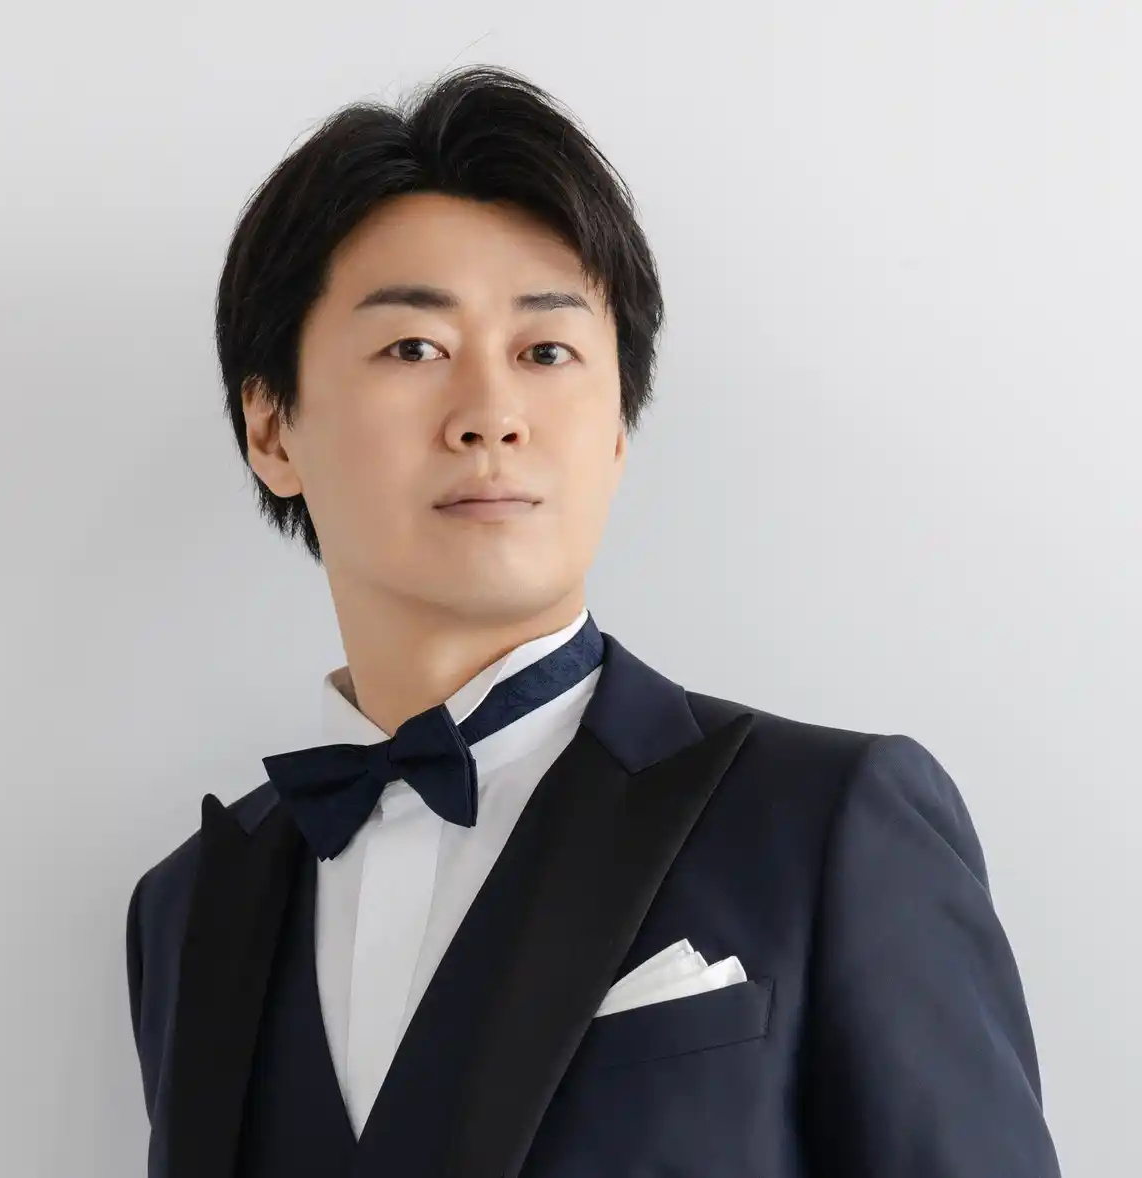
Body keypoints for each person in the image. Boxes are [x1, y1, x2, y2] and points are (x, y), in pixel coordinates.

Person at [124, 64, 1061, 1177]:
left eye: (545, 352)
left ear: (617, 426)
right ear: (272, 428)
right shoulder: (185, 909)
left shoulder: (830, 824)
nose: (490, 415)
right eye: (413, 348)